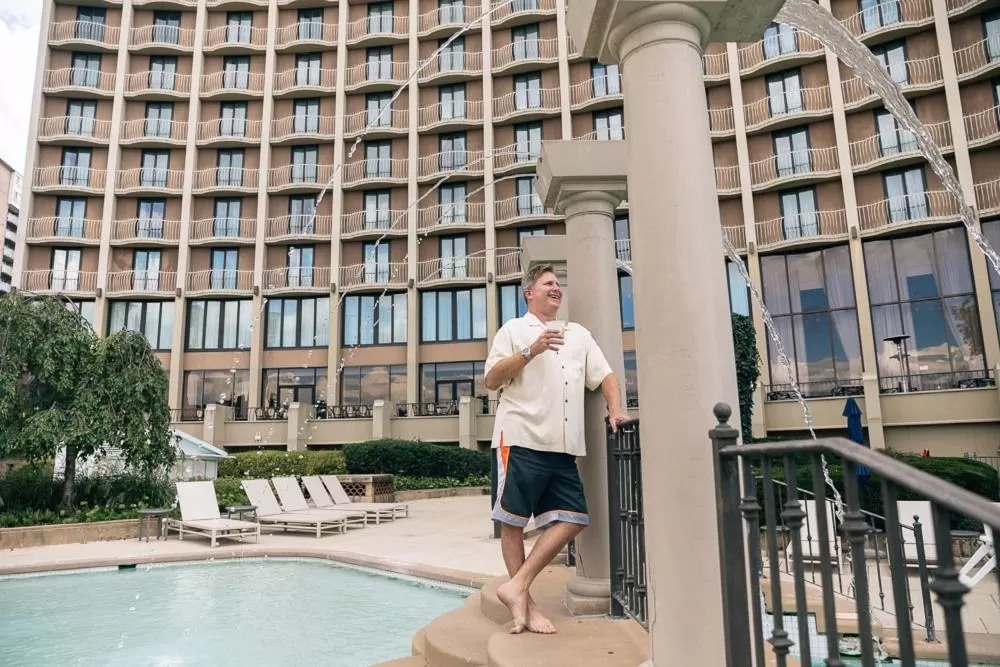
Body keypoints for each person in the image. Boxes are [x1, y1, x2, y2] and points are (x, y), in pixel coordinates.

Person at [484, 263, 628, 635]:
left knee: (575, 518)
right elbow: (492, 379)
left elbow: (606, 375)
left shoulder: (579, 334)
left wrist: (616, 409)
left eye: (558, 284)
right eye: (548, 283)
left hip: (564, 448)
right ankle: (527, 606)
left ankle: (517, 585)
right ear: (529, 293)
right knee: (513, 522)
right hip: (519, 438)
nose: (556, 288)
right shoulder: (513, 330)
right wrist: (530, 351)